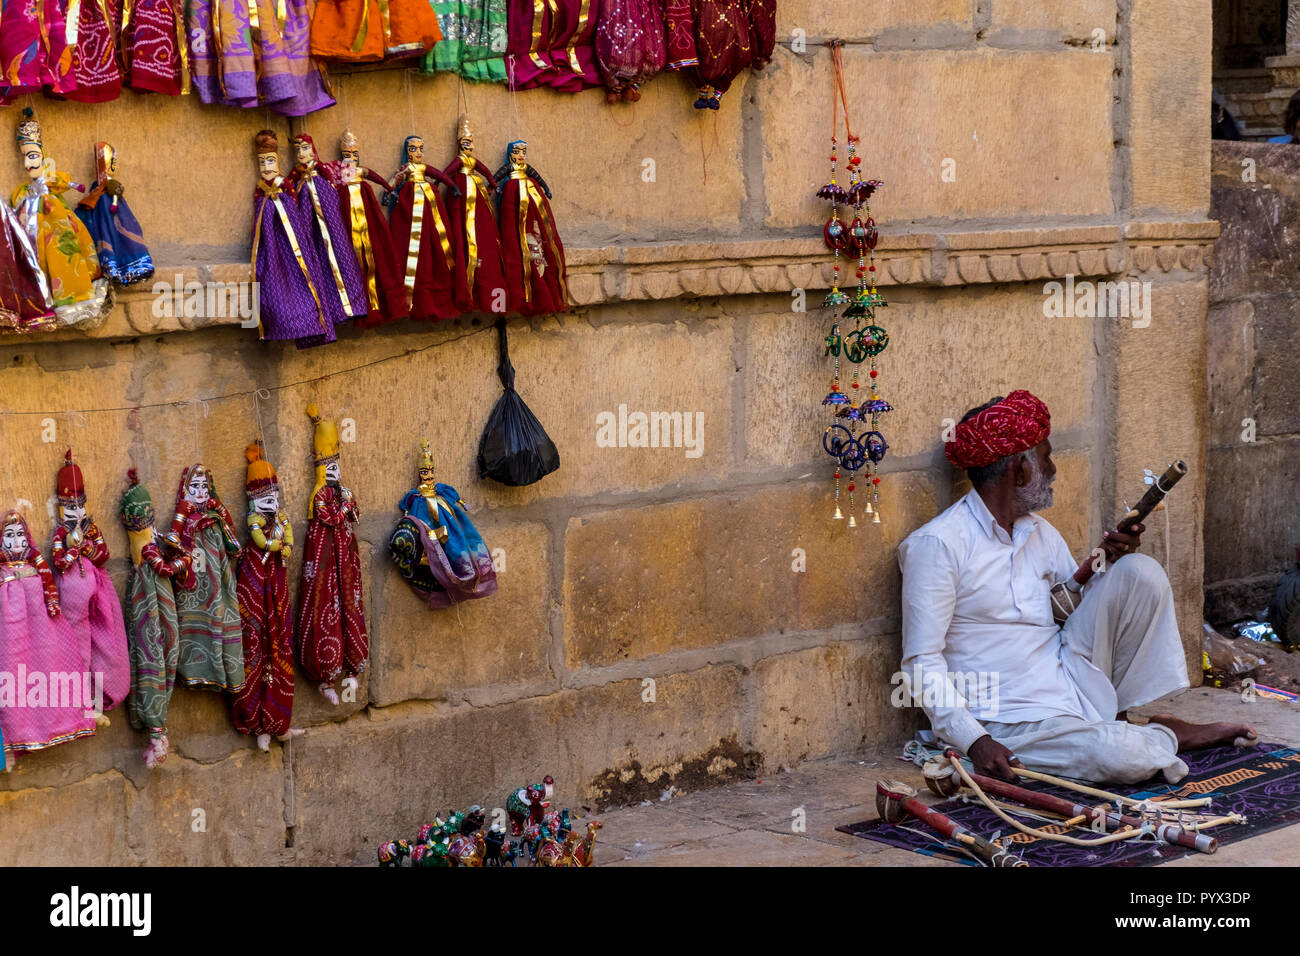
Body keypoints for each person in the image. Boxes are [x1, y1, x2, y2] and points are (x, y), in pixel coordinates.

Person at [897, 391, 1255, 785]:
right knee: (1121, 757)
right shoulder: (937, 545)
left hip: (1065, 679)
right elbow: (921, 662)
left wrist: (1100, 565)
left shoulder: (1038, 531)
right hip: (1004, 717)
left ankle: (1121, 717)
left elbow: (1062, 611)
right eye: (1046, 458)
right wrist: (976, 740)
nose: (1052, 470)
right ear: (1019, 469)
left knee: (1140, 572)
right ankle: (1164, 734)